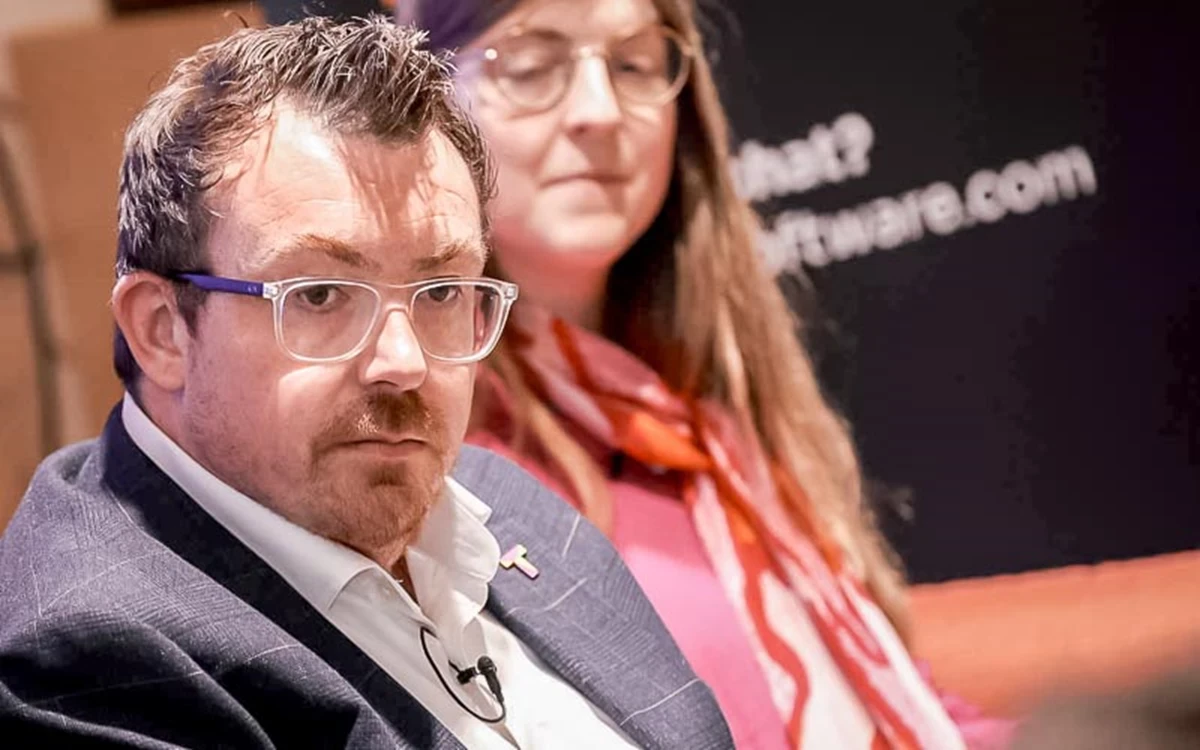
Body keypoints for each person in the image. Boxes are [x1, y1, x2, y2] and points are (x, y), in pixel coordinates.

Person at [0, 17, 733, 749]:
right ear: (162, 330)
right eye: (320, 295)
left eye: (442, 291)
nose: (404, 362)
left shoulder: (502, 506)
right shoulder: (84, 664)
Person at [401, 0, 1009, 747]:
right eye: (531, 65)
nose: (601, 110)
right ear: (434, 106)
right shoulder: (436, 466)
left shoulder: (707, 420)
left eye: (633, 64)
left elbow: (886, 706)